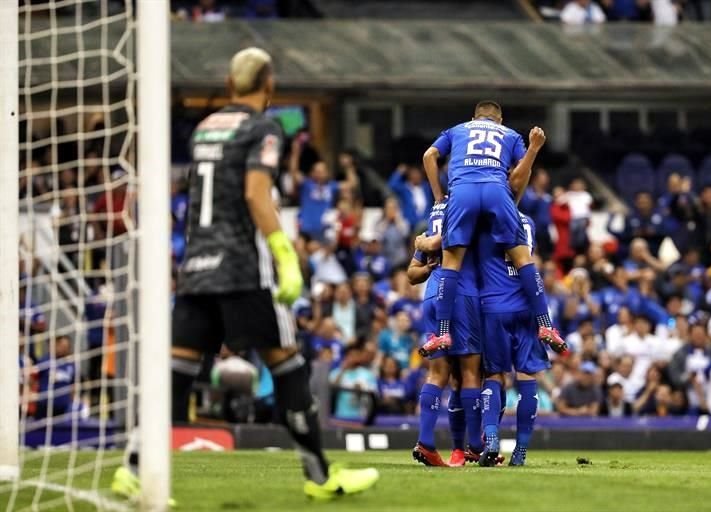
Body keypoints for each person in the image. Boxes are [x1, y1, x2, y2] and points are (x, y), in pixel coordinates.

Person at [113, 47, 378, 501]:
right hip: (241, 268)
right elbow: (257, 194)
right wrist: (283, 251)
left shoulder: (204, 129)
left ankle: (133, 469)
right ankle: (319, 478)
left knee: (176, 372)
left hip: (197, 266)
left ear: (232, 84)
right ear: (269, 85)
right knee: (288, 365)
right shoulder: (262, 128)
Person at [422, 101, 563, 357]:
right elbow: (521, 174)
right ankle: (545, 325)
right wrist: (532, 151)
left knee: (451, 262)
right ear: (499, 120)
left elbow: (429, 156)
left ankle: (442, 331)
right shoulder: (510, 134)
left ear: (474, 118)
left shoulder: (457, 130)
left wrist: (438, 196)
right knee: (524, 259)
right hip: (497, 191)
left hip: (462, 191)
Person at [407, 202, 484, 467]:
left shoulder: (435, 215)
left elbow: (411, 273)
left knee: (437, 374)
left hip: (432, 294)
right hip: (462, 292)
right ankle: (475, 446)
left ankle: (426, 442)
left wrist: (428, 258)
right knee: (469, 373)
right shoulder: (470, 209)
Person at [475, 214, 552, 467]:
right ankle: (521, 450)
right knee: (528, 376)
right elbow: (531, 263)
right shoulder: (529, 221)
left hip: (494, 305)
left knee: (494, 375)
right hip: (526, 306)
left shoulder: (485, 219)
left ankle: (492, 438)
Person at [35, 335, 76, 419]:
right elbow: (34, 379)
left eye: (66, 347)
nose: (64, 349)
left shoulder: (71, 364)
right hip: (45, 405)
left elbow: (73, 385)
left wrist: (73, 401)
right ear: (56, 345)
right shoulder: (45, 360)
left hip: (64, 406)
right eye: (62, 346)